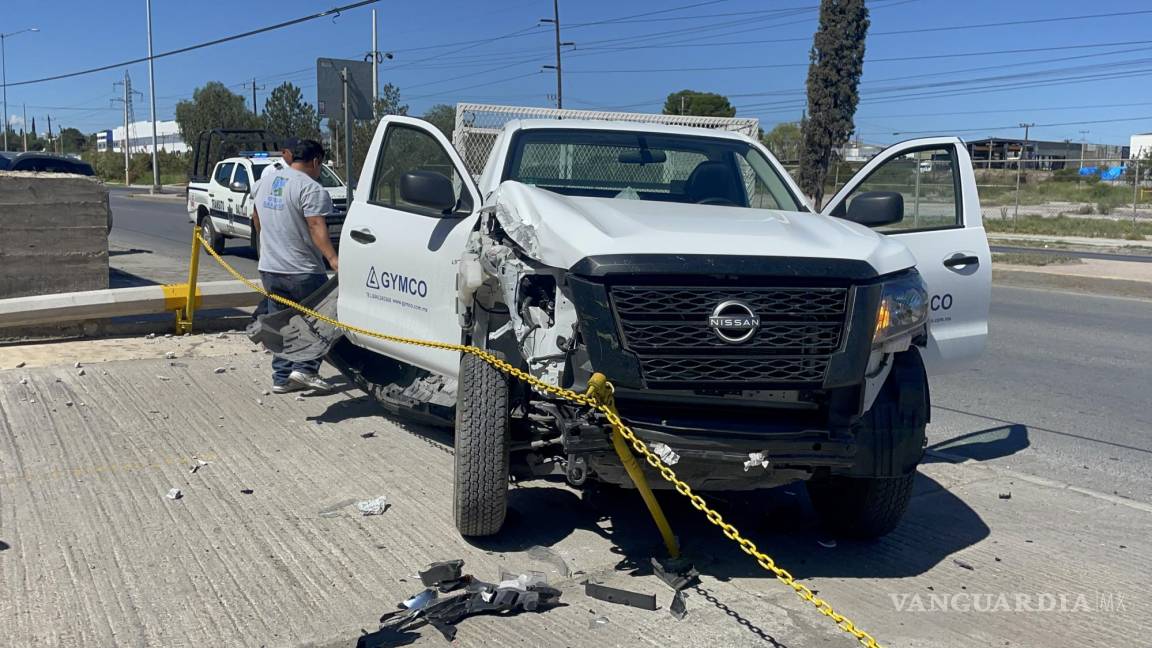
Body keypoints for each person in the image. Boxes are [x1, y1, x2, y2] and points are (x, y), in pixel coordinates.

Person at [251, 138, 339, 394]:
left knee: (282, 323)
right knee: (320, 320)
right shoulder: (310, 187)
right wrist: (333, 259)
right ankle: (306, 369)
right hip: (302, 269)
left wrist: (266, 243)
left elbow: (256, 216)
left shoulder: (266, 181)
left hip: (270, 267)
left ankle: (281, 377)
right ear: (315, 161)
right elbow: (315, 225)